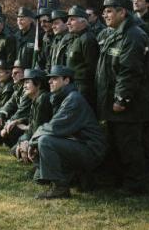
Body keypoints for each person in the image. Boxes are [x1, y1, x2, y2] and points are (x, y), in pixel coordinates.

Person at [96, 0, 149, 195]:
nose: (105, 14)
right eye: (104, 11)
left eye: (110, 10)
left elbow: (130, 71)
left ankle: (135, 184)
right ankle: (120, 180)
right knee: (117, 142)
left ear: (122, 12)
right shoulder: (113, 33)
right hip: (111, 99)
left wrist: (121, 98)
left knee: (129, 144)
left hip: (129, 103)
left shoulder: (133, 35)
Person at [30, 65, 106, 200]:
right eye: (49, 79)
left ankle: (60, 188)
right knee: (38, 176)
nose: (49, 82)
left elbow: (54, 127)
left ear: (66, 81)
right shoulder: (63, 97)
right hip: (81, 145)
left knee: (45, 141)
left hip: (91, 150)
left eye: (54, 78)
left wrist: (32, 141)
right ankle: (68, 179)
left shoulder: (73, 99)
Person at [14, 69, 52, 167]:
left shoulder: (43, 99)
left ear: (38, 84)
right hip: (37, 138)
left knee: (20, 146)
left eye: (27, 82)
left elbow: (37, 129)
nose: (24, 86)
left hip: (46, 141)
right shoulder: (37, 99)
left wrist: (25, 144)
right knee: (15, 149)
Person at [65, 5, 99, 108]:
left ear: (83, 22)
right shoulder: (76, 38)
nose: (68, 23)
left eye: (72, 19)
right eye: (68, 20)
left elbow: (92, 67)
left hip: (84, 89)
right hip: (74, 86)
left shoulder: (87, 39)